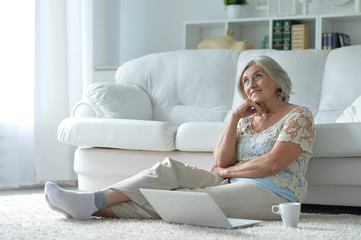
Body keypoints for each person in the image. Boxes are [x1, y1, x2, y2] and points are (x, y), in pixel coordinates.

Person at [45, 55, 315, 221]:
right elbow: (220, 159)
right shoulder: (246, 118)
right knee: (170, 169)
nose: (250, 84)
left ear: (278, 81)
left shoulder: (299, 116)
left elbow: (271, 164)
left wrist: (225, 170)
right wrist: (234, 117)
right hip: (229, 181)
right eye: (245, 81)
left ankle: (90, 208)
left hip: (273, 194)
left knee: (191, 200)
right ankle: (95, 198)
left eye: (258, 76)